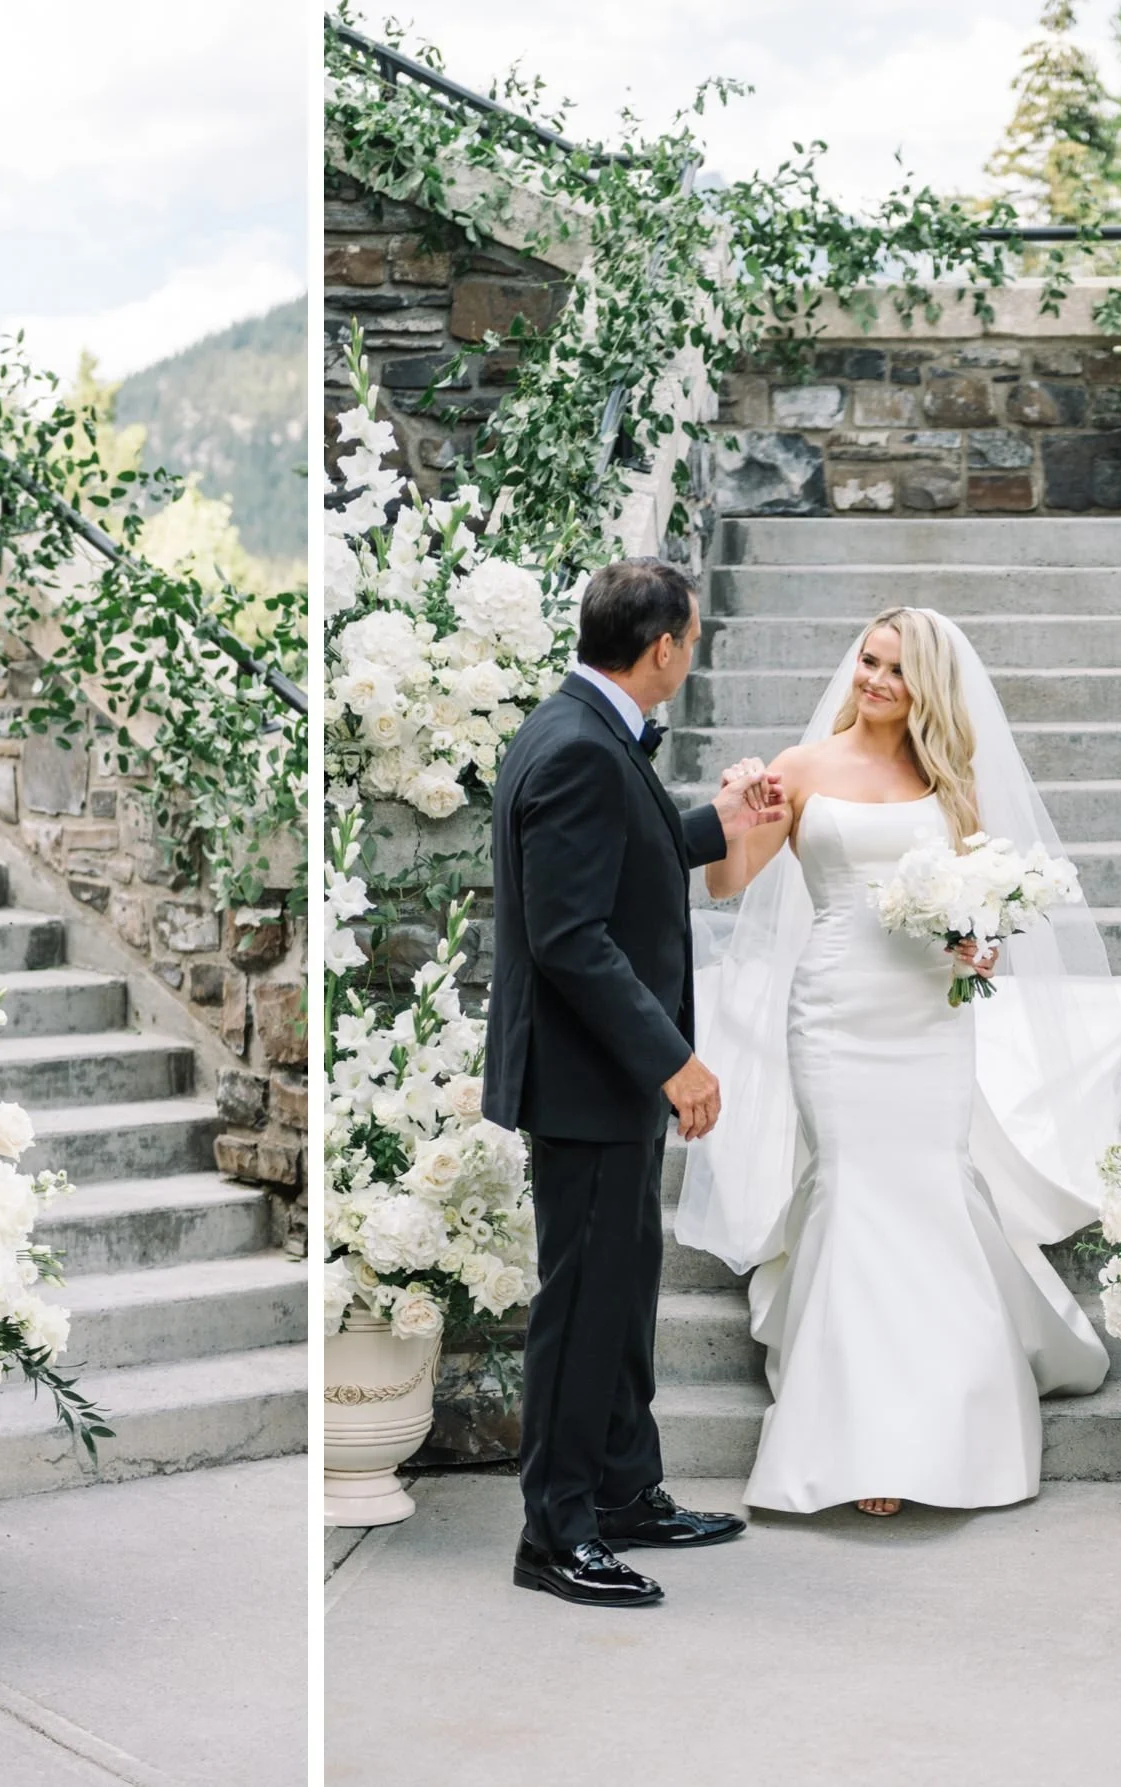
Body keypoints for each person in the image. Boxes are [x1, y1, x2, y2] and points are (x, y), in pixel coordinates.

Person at [678, 606, 1121, 1518]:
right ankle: (861, 1436)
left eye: (894, 670)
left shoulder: (950, 784)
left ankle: (944, 1415)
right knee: (853, 1186)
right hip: (835, 1011)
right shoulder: (801, 768)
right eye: (867, 660)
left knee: (930, 1188)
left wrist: (977, 946)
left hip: (929, 1017)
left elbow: (979, 906)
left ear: (927, 688)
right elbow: (724, 882)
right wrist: (742, 812)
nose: (872, 679)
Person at [483, 555, 786, 1609]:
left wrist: (724, 817)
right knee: (583, 1306)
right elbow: (569, 936)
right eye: (692, 639)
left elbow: (631, 856)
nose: (690, 654)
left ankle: (622, 1488)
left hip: (599, 1080)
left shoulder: (580, 726)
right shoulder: (577, 747)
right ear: (663, 648)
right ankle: (556, 1531)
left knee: (622, 1291)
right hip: (592, 1079)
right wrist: (673, 1056)